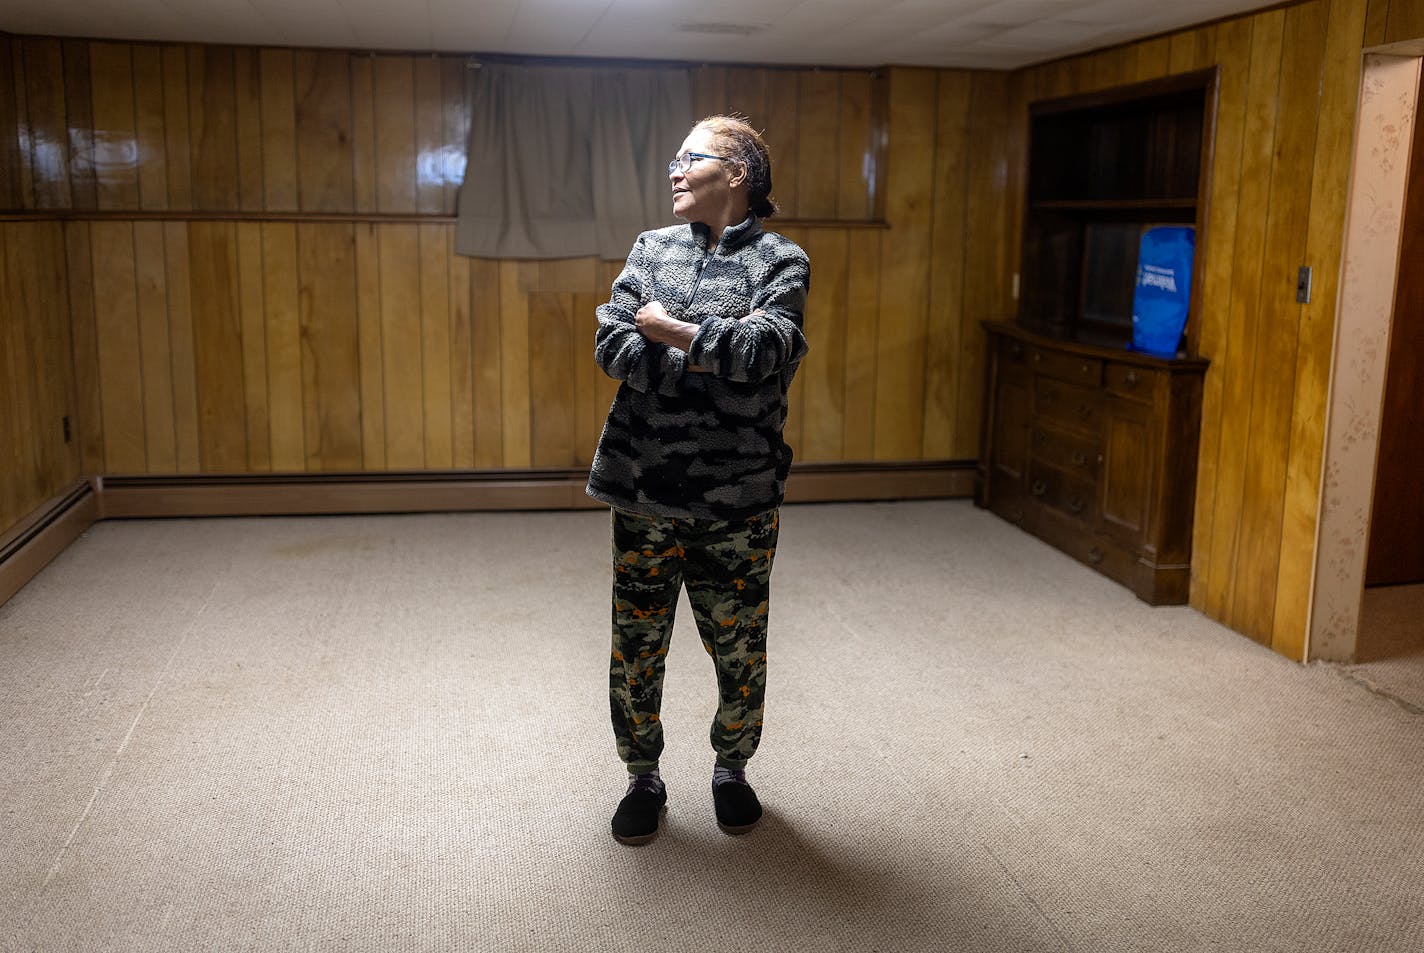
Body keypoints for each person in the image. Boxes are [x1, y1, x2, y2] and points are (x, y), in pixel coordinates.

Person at [586, 115, 810, 845]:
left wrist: (674, 331)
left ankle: (731, 767)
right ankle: (642, 775)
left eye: (691, 157)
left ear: (738, 172)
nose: (674, 170)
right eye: (674, 158)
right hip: (643, 489)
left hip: (738, 500)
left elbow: (767, 349)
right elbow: (613, 343)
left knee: (739, 643)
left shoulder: (780, 260)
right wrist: (714, 354)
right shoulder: (650, 250)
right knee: (637, 642)